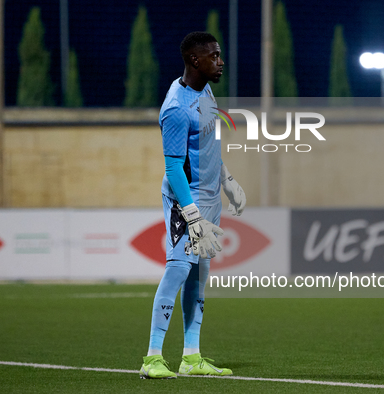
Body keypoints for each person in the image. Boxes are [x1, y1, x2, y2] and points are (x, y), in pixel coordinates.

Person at [139, 32, 247, 379]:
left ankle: (191, 357)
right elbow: (173, 169)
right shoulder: (175, 109)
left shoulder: (206, 91)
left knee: (199, 275)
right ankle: (153, 357)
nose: (221, 61)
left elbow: (207, 147)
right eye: (214, 56)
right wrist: (192, 213)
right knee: (179, 268)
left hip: (211, 196)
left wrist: (226, 180)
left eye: (220, 54)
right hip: (186, 198)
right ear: (195, 61)